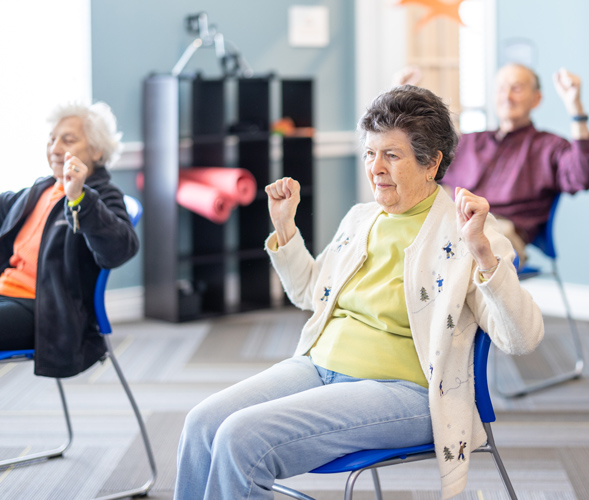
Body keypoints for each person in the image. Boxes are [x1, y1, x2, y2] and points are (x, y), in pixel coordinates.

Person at [174, 85, 544, 500]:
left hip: (407, 391)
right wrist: (285, 228)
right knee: (202, 423)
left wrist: (483, 255)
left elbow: (522, 337)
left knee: (240, 439)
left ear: (432, 163)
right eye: (370, 153)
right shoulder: (361, 218)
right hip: (319, 367)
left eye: (392, 154)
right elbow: (311, 294)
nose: (375, 168)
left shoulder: (470, 234)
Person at [400, 63, 589, 265]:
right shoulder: (470, 142)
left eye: (517, 88)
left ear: (536, 99)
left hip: (501, 233)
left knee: (452, 257)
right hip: (454, 224)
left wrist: (576, 108)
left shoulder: (549, 147)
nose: (507, 96)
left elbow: (583, 176)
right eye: (501, 88)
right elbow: (426, 169)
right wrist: (405, 102)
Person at [0, 102, 139, 378]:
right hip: (8, 291)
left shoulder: (99, 194)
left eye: (68, 139)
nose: (55, 147)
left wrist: (79, 199)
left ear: (96, 150)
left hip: (45, 309)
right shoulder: (42, 188)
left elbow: (120, 248)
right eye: (52, 138)